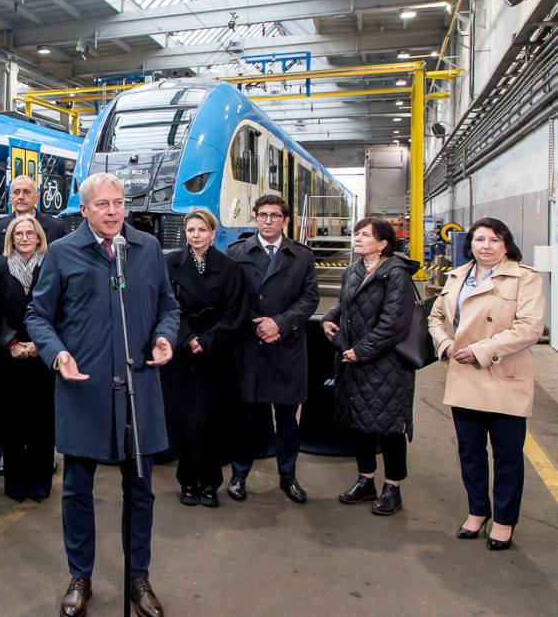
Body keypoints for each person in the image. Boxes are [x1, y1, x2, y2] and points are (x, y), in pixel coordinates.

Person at [26, 172, 179, 617]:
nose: (113, 212)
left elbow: (168, 306)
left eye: (119, 203)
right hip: (84, 390)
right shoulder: (62, 252)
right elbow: (37, 314)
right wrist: (57, 355)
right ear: (84, 209)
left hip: (138, 389)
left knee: (141, 490)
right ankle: (80, 576)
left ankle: (138, 577)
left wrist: (165, 337)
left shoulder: (146, 248)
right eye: (103, 205)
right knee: (77, 491)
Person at [427, 217, 544, 550]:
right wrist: (445, 344)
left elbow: (530, 328)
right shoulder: (457, 277)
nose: (486, 246)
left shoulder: (525, 278)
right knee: (470, 453)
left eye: (494, 239)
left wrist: (480, 351)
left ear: (506, 245)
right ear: (470, 245)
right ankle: (477, 511)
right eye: (480, 239)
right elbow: (436, 317)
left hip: (504, 377)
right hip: (464, 377)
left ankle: (504, 521)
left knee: (507, 457)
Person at [226, 194, 319, 504]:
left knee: (287, 421)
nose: (268, 221)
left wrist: (279, 323)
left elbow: (310, 298)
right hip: (250, 347)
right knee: (245, 420)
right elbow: (232, 297)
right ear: (255, 218)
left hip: (285, 347)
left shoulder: (302, 256)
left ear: (285, 221)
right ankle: (239, 475)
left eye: (274, 216)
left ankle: (288, 476)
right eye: (262, 215)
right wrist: (256, 324)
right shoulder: (237, 252)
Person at [322, 217, 418, 516]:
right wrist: (329, 317)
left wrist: (360, 351)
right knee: (360, 423)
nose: (358, 238)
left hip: (387, 365)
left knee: (389, 427)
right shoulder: (353, 270)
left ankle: (393, 488)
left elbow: (393, 323)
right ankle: (365, 481)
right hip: (354, 361)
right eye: (357, 234)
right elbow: (344, 304)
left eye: (365, 235)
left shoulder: (396, 275)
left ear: (383, 243)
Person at [161, 209, 246, 508]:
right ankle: (187, 481)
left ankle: (211, 483)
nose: (195, 235)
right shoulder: (170, 264)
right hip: (183, 356)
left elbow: (235, 312)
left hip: (216, 355)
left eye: (201, 230)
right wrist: (187, 338)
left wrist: (208, 340)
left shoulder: (230, 267)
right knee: (186, 420)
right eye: (190, 230)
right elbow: (165, 305)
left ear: (212, 233)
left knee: (214, 421)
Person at [0, 174, 66, 475]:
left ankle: (43, 452)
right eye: (15, 191)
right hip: (9, 342)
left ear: (37, 195)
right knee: (6, 400)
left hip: (43, 341)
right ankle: (6, 451)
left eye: (26, 191)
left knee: (43, 401)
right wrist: (11, 341)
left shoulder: (56, 228)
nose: (20, 196)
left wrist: (43, 342)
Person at [0, 217, 54, 502]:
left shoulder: (51, 266)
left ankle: (40, 482)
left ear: (39, 237)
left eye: (30, 233)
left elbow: (61, 308)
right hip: (8, 356)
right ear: (11, 239)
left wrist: (41, 344)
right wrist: (11, 342)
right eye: (19, 234)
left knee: (41, 420)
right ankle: (15, 482)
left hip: (42, 355)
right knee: (12, 420)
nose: (24, 238)